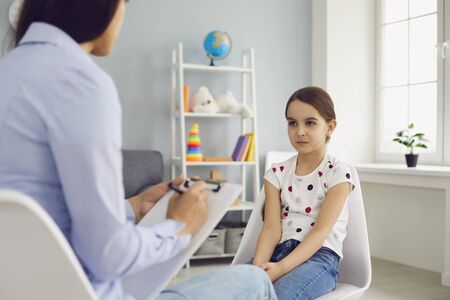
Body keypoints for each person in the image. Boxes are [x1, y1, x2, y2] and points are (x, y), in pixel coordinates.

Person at [0, 0, 276, 299]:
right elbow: (108, 255)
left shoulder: (9, 71)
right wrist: (177, 227)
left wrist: (133, 206)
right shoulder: (81, 82)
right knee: (253, 280)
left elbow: (45, 214)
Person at [252, 87, 354, 299]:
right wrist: (257, 270)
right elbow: (271, 229)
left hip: (320, 258)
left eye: (310, 123)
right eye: (292, 123)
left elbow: (320, 232)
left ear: (330, 127)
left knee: (278, 296)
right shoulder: (276, 174)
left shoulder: (339, 173)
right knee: (233, 289)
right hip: (279, 252)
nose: (299, 131)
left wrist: (280, 269)